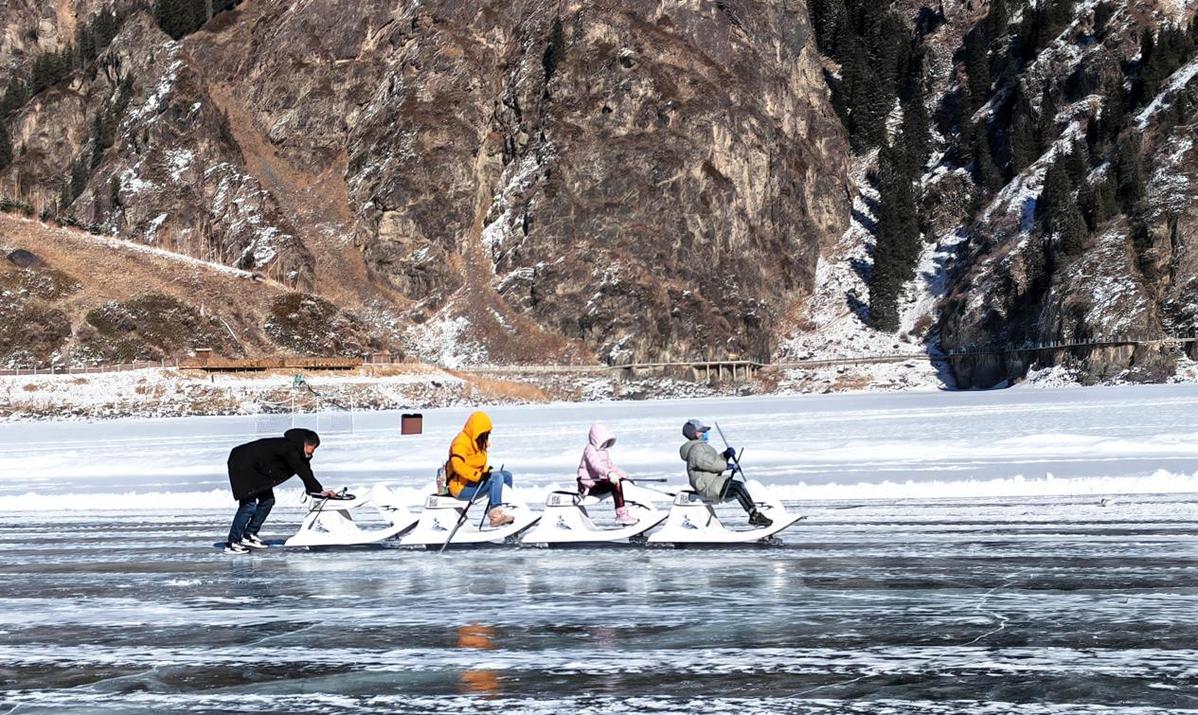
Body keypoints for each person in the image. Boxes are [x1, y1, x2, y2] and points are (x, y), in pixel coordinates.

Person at [224, 427, 335, 554]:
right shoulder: (289, 448)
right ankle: (232, 542)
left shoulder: (295, 450)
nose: (313, 451)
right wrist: (319, 490)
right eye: (313, 447)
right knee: (248, 506)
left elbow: (305, 470)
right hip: (241, 464)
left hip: (257, 469)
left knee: (268, 501)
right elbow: (302, 470)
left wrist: (314, 490)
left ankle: (249, 535)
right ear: (305, 444)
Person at [679, 418, 772, 527]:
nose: (705, 433)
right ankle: (754, 516)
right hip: (707, 486)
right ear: (695, 434)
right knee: (737, 488)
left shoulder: (699, 448)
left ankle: (754, 514)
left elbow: (713, 461)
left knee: (738, 486)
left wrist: (725, 455)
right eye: (702, 431)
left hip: (711, 482)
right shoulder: (696, 449)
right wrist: (728, 466)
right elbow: (710, 464)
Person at [445, 411, 515, 527]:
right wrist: (478, 475)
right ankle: (496, 515)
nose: (487, 435)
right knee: (496, 477)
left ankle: (506, 511)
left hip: (472, 483)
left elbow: (476, 463)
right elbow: (457, 465)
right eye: (485, 432)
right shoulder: (460, 442)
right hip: (460, 487)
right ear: (477, 430)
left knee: (506, 475)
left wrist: (485, 472)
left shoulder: (478, 442)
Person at [577, 423, 638, 526]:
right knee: (615, 484)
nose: (605, 443)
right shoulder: (590, 449)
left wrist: (624, 476)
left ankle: (629, 511)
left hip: (598, 482)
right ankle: (621, 515)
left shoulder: (604, 452)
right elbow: (596, 465)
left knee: (620, 482)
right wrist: (609, 474)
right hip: (589, 486)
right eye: (604, 440)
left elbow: (611, 467)